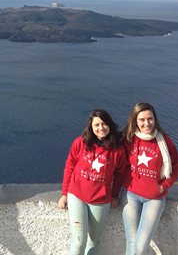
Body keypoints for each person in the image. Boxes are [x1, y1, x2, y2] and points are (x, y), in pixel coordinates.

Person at [58, 109, 127, 255]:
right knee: (78, 241)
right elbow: (69, 166)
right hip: (76, 195)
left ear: (110, 125)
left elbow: (120, 174)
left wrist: (115, 195)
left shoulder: (117, 150)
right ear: (91, 127)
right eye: (96, 125)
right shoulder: (81, 143)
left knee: (94, 241)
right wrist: (64, 194)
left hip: (100, 200)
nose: (101, 128)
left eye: (104, 124)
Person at [120, 102, 178, 255]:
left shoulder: (164, 142)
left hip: (154, 198)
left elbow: (176, 167)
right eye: (142, 119)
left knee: (141, 248)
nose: (146, 123)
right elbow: (112, 156)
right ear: (135, 121)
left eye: (150, 119)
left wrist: (163, 186)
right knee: (132, 246)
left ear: (155, 120)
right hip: (130, 195)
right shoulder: (128, 140)